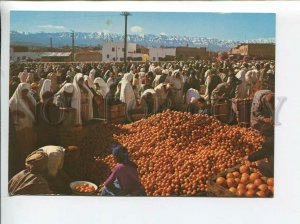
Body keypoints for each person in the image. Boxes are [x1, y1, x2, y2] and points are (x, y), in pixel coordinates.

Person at [9, 83, 37, 162]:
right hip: (20, 126)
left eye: (26, 91)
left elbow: (34, 109)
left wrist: (28, 100)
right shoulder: (13, 101)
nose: (25, 93)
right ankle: (23, 159)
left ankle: (31, 158)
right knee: (22, 144)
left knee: (30, 143)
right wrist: (17, 113)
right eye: (23, 91)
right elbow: (9, 112)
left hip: (29, 124)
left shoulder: (29, 99)